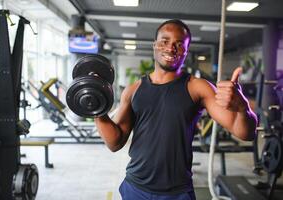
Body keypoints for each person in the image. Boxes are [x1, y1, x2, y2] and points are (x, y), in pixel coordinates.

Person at [95, 19, 257, 200]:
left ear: (186, 51)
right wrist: (96, 109)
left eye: (179, 44)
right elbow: (114, 143)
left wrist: (243, 108)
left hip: (177, 192)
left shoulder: (198, 88)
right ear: (154, 45)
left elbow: (244, 133)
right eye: (165, 41)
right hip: (136, 187)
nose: (171, 48)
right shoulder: (133, 90)